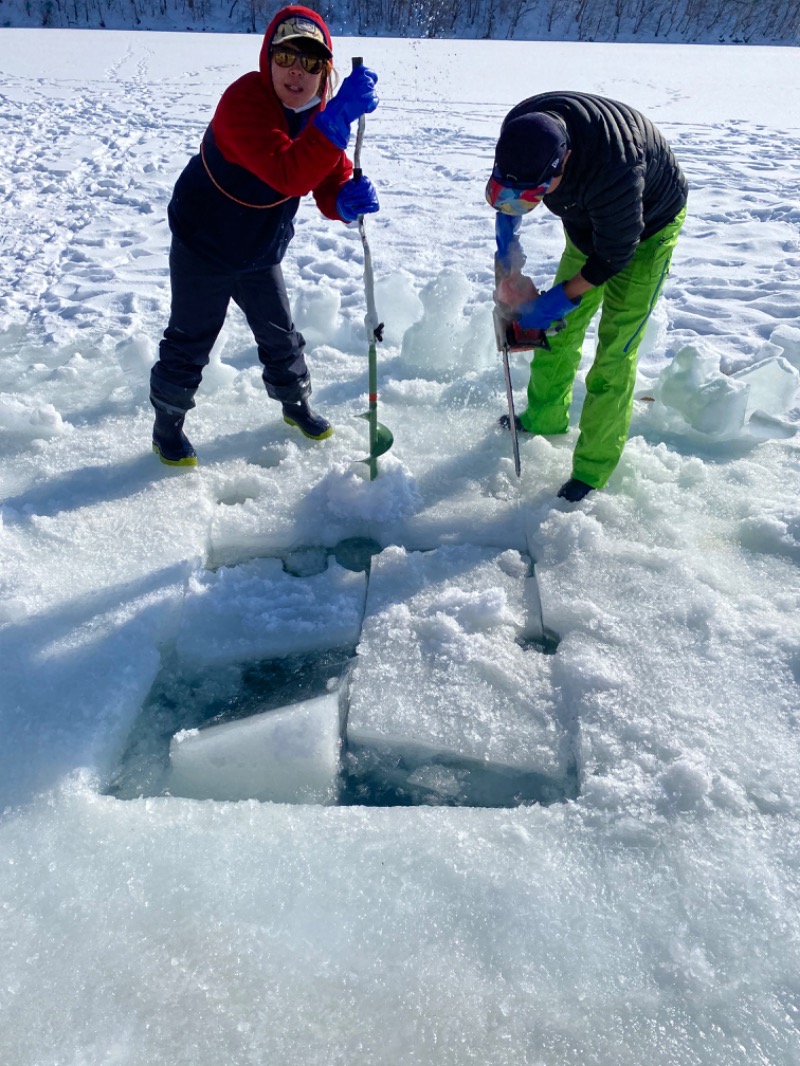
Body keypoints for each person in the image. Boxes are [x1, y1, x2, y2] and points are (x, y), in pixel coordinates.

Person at [150, 5, 380, 466]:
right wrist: (335, 122)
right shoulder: (244, 102)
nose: (297, 71)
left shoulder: (319, 112)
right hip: (205, 244)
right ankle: (168, 425)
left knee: (281, 336)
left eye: (312, 62)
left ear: (325, 70)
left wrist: (341, 201)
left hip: (259, 248)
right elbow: (288, 173)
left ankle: (296, 406)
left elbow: (326, 178)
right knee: (191, 338)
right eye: (286, 56)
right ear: (267, 58)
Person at [487, 92, 688, 501]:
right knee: (561, 331)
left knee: (616, 349)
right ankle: (544, 415)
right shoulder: (522, 126)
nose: (524, 202)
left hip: (645, 229)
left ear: (564, 163)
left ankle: (593, 471)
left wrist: (555, 301)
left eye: (534, 195)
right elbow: (509, 199)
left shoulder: (615, 168)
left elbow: (612, 256)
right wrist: (508, 263)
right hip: (588, 217)